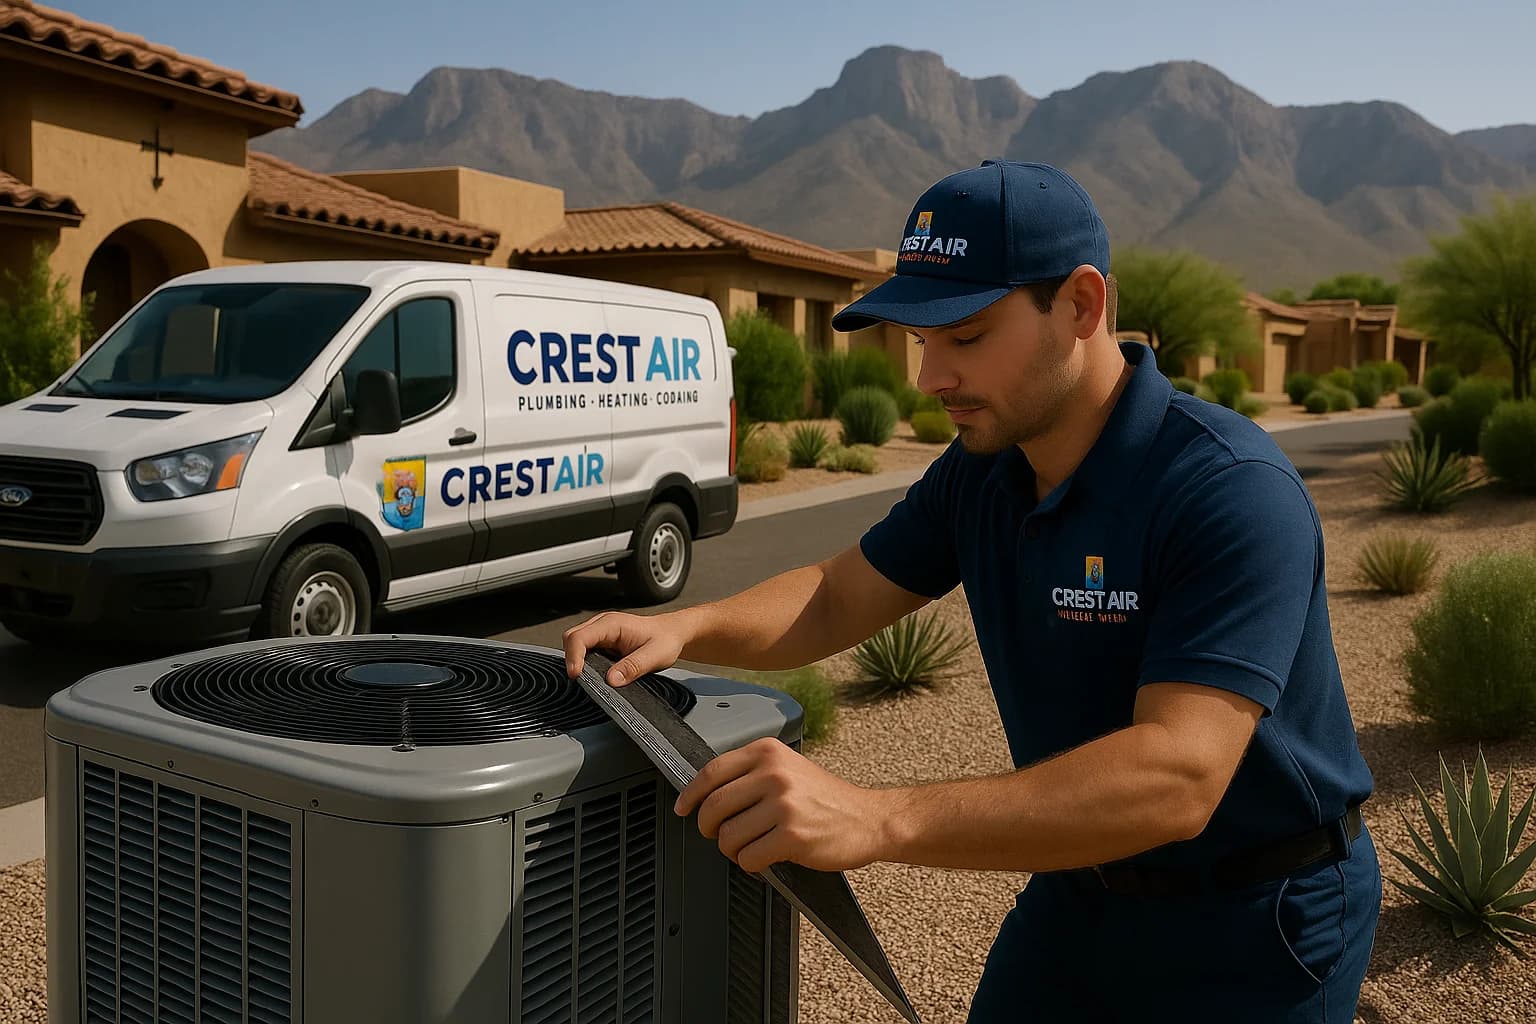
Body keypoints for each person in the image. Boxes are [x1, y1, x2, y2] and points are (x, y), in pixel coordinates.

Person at [563, 159, 1382, 1023]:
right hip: (1078, 886)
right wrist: (687, 627)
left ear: (1081, 305)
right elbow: (839, 594)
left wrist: (878, 820)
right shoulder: (983, 471)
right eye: (922, 342)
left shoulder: (1228, 488)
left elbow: (1176, 776)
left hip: (1257, 917)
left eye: (967, 335)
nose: (929, 380)